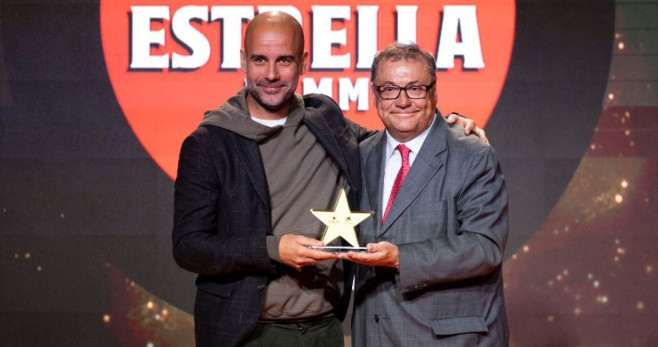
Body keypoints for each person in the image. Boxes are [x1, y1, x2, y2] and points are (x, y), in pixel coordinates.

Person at [172, 11, 484, 347]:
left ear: (304, 62)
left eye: (285, 60)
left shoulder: (325, 119)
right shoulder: (209, 143)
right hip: (248, 332)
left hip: (325, 330)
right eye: (260, 60)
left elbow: (393, 142)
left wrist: (451, 130)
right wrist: (272, 249)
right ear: (243, 61)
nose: (272, 74)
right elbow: (189, 247)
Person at [341, 43, 509, 346]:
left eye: (415, 88)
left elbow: (485, 247)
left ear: (434, 91)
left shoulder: (472, 154)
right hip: (375, 336)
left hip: (449, 340)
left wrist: (399, 258)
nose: (402, 101)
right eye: (389, 89)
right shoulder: (360, 156)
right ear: (375, 93)